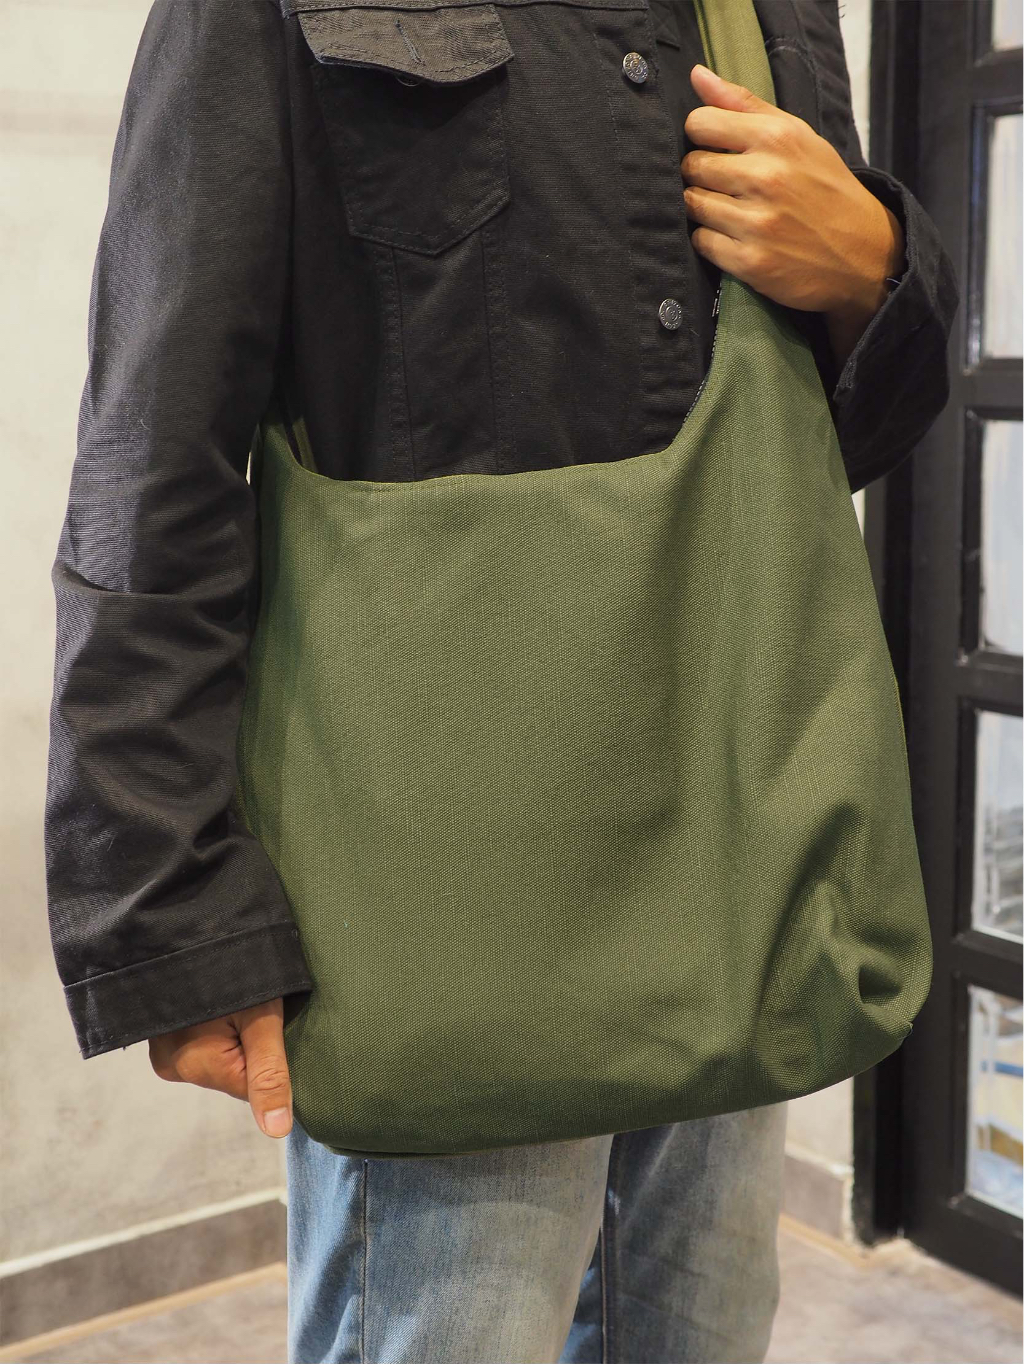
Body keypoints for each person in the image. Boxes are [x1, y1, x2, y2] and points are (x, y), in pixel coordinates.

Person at [44, 2, 959, 1361]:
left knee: (704, 1330)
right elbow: (155, 447)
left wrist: (873, 267)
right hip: (444, 902)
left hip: (737, 854)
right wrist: (163, 903)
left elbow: (806, 452)